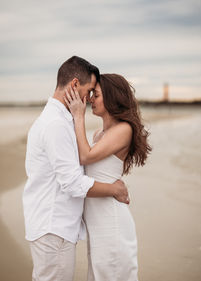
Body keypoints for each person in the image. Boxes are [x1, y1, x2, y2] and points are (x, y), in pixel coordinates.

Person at [22, 57, 129, 281]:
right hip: (54, 227)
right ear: (73, 85)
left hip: (53, 226)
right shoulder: (56, 124)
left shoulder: (60, 120)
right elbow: (72, 183)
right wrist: (114, 189)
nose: (89, 99)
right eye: (89, 90)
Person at [64, 73, 152, 281]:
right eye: (92, 93)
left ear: (113, 98)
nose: (91, 99)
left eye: (97, 94)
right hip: (97, 224)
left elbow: (85, 156)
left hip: (111, 222)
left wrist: (79, 115)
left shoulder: (124, 130)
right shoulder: (98, 135)